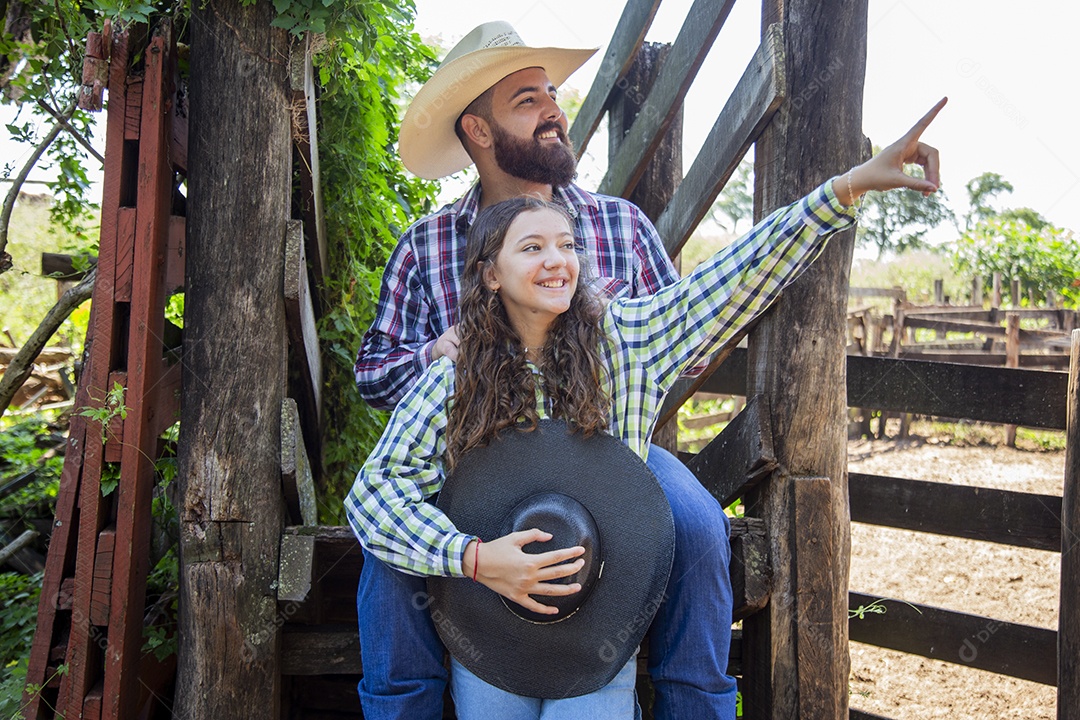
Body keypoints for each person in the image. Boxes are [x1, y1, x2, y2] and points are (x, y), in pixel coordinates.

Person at [346, 99, 946, 719]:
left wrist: (848, 187)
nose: (557, 259)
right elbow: (374, 494)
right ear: (490, 274)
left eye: (567, 245)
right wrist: (473, 557)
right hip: (491, 624)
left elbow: (732, 279)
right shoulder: (454, 375)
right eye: (531, 248)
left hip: (598, 620)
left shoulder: (628, 342)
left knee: (696, 531)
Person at [352, 21, 739, 720]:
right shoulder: (425, 245)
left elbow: (682, 344)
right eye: (528, 100)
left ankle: (698, 709)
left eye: (552, 94)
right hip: (473, 461)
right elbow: (374, 377)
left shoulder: (621, 226)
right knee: (388, 557)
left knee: (699, 522)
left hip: (611, 451)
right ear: (477, 128)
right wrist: (433, 354)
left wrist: (668, 347)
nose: (555, 111)